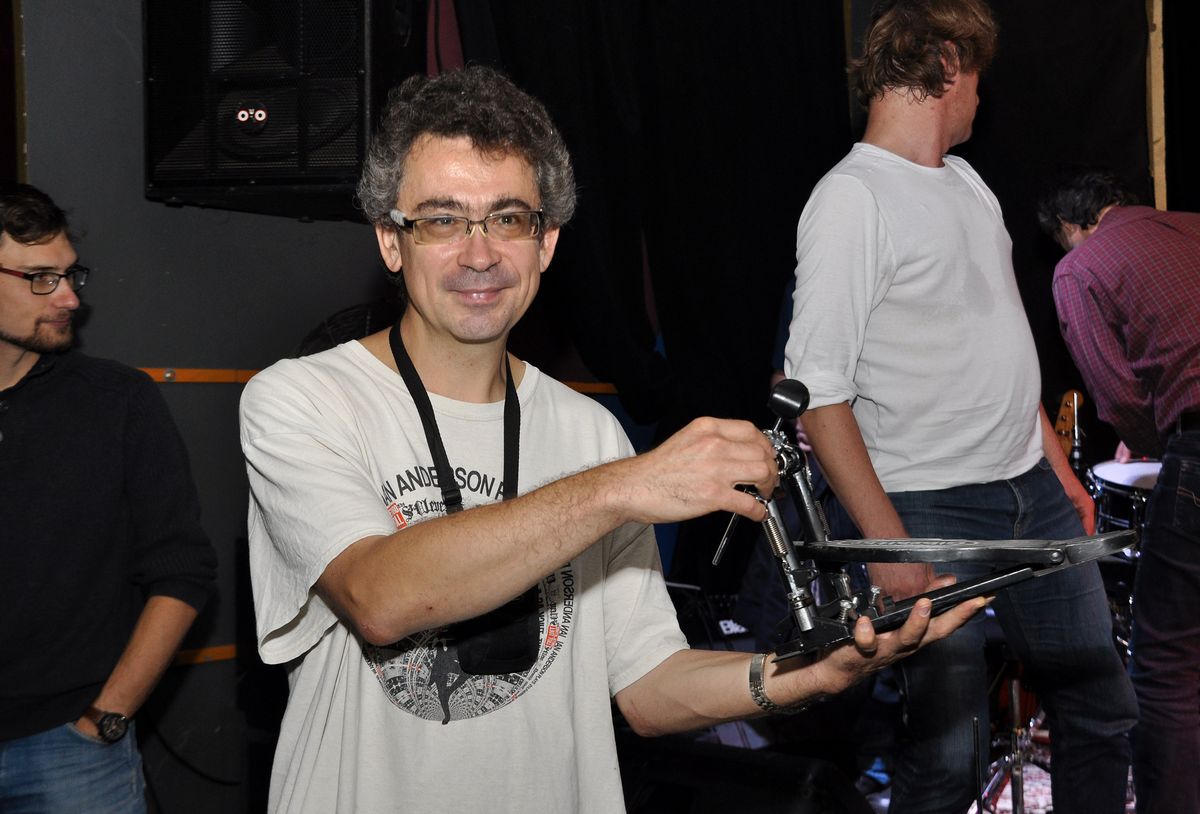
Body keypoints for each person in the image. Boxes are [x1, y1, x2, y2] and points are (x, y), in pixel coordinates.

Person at [239, 65, 985, 813]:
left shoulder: (588, 432)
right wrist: (624, 486)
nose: (479, 253)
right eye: (441, 220)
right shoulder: (302, 400)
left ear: (546, 244)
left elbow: (648, 688)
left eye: (509, 219)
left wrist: (809, 675)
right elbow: (380, 597)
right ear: (391, 242)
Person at [783, 2, 1137, 812]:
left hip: (1032, 494)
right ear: (947, 64)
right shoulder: (851, 199)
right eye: (977, 73)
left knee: (1101, 711)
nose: (981, 94)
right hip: (927, 506)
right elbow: (819, 396)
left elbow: (1000, 349)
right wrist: (886, 544)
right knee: (948, 758)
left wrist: (1062, 476)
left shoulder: (968, 183)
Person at [0, 183, 216, 811]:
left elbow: (182, 572)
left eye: (70, 274)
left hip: (70, 751)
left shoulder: (117, 401)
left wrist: (107, 717)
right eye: (41, 279)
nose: (69, 297)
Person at [1037, 166, 1200, 814]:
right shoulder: (1191, 227)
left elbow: (1118, 397)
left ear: (1069, 226)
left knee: (1169, 668)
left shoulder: (1080, 266)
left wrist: (1153, 438)